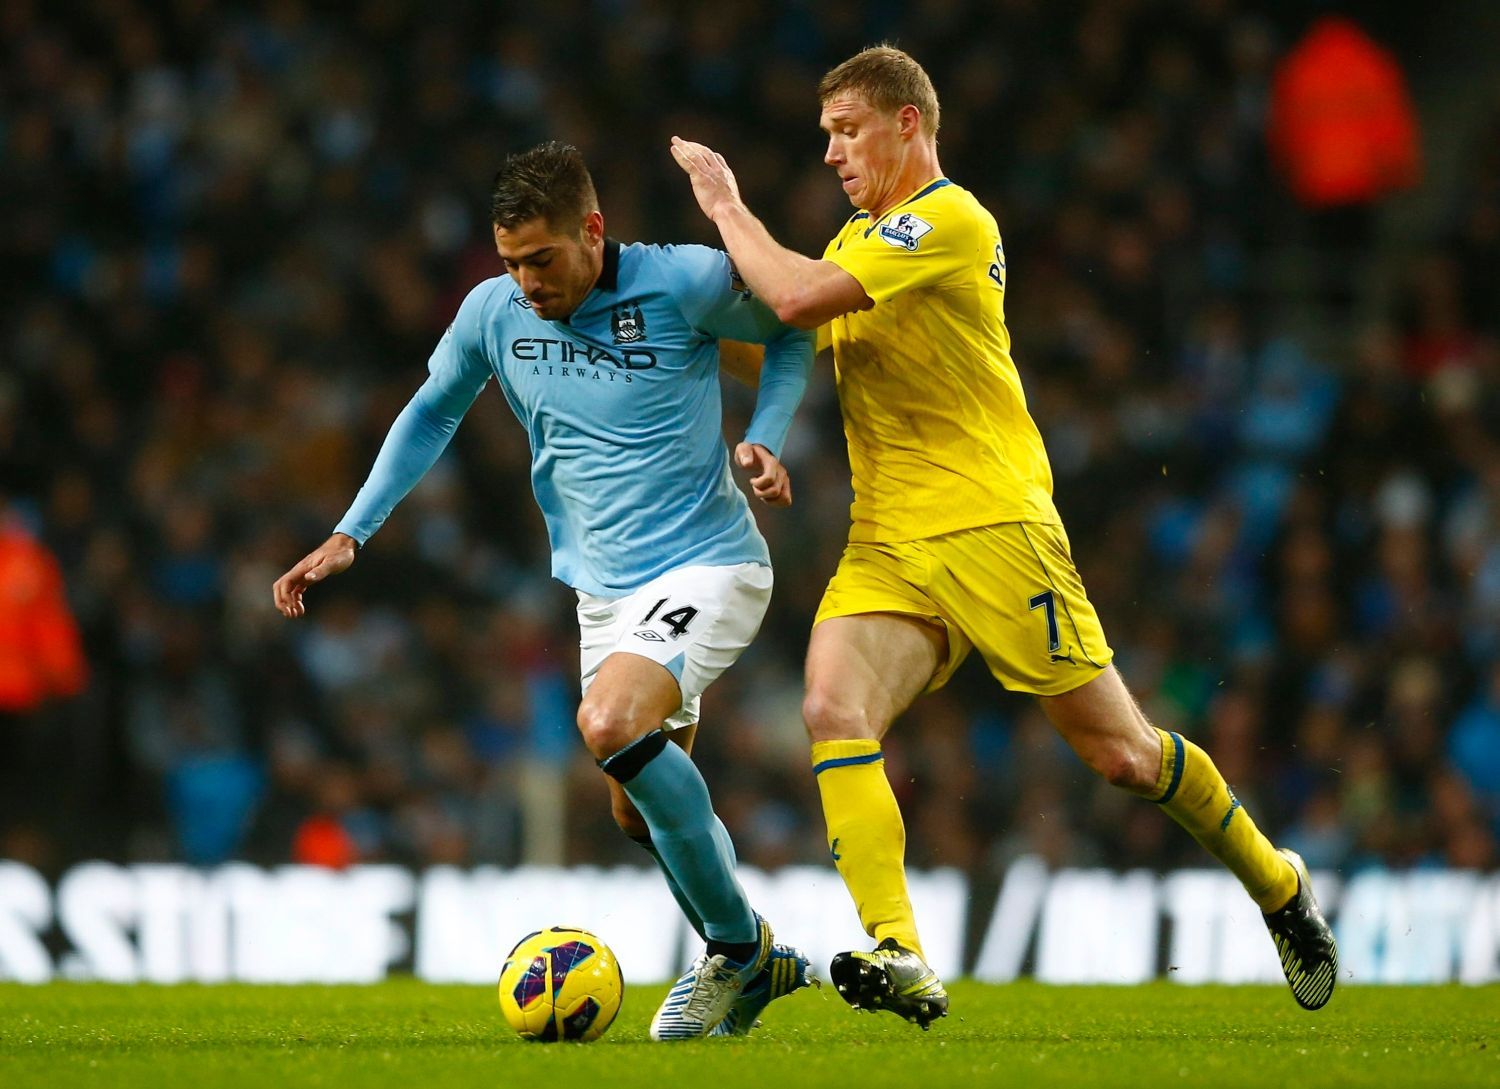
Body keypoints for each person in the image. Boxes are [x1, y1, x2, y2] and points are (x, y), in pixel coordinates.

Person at [670, 45, 1338, 1026]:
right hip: (889, 537)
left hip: (992, 524)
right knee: (830, 707)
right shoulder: (865, 237)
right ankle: (900, 952)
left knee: (1124, 757)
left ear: (909, 123)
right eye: (824, 137)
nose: (831, 154)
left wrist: (725, 206)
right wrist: (666, 333)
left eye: (846, 131)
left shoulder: (949, 217)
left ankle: (1277, 883)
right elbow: (789, 338)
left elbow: (796, 299)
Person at [273, 142, 814, 1039]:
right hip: (603, 596)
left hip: (708, 562)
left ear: (592, 232)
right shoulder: (492, 312)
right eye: (511, 261)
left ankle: (736, 950)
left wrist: (766, 433)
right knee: (632, 809)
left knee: (608, 724)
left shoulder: (682, 282)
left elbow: (792, 329)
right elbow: (432, 408)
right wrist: (349, 532)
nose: (526, 281)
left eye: (542, 259)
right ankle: (755, 955)